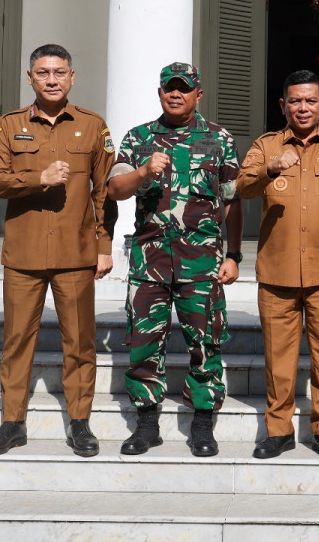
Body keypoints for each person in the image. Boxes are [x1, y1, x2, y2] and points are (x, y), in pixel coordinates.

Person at [0, 44, 115, 458]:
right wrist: (37, 177)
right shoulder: (7, 126)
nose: (51, 80)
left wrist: (103, 245)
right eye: (43, 73)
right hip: (24, 253)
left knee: (80, 342)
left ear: (72, 77)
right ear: (30, 77)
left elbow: (103, 191)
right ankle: (12, 422)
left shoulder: (93, 126)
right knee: (17, 341)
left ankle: (80, 422)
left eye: (59, 72)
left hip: (76, 253)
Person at [108, 62, 242, 458]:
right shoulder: (138, 138)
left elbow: (233, 200)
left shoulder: (218, 139)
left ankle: (203, 423)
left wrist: (234, 255)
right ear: (161, 92)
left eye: (184, 88)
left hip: (201, 263)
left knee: (205, 343)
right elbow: (115, 188)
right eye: (170, 88)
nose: (176, 93)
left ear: (198, 94)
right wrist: (144, 172)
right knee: (144, 344)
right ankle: (147, 423)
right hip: (149, 261)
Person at [237, 70, 319, 462]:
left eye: (311, 100)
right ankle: (279, 431)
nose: (303, 107)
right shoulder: (266, 145)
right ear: (283, 105)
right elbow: (240, 187)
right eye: (295, 100)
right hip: (276, 272)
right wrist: (271, 168)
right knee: (279, 357)